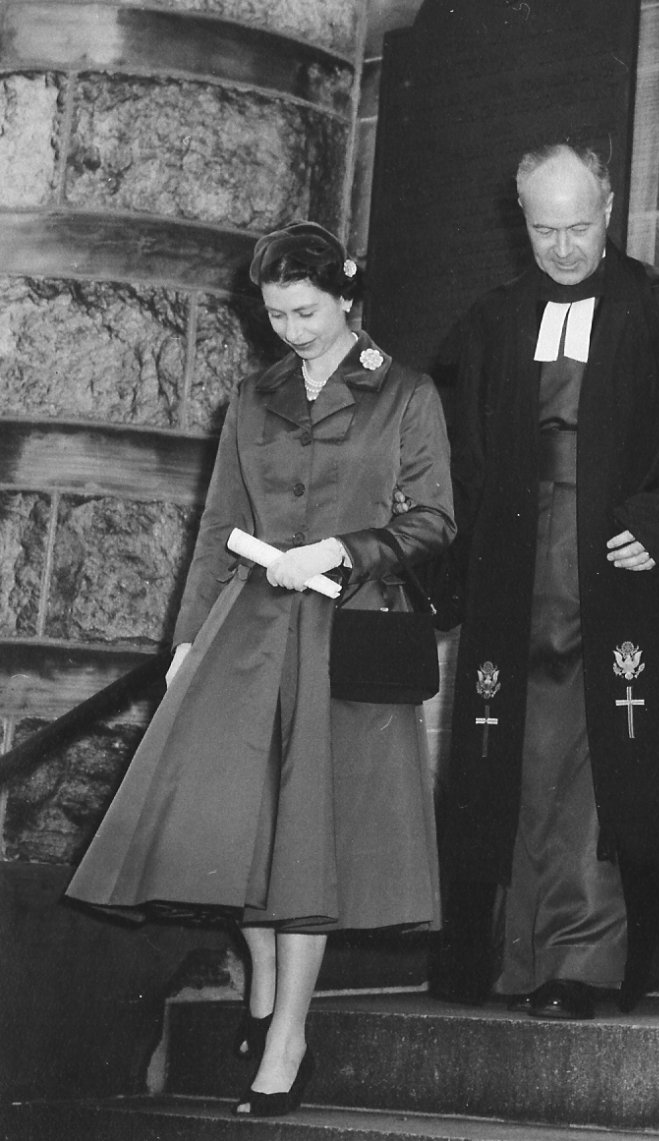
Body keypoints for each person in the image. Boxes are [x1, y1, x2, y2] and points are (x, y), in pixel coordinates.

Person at [67, 222, 455, 1111]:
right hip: (248, 634)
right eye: (276, 314)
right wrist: (186, 643)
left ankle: (288, 1039)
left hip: (346, 630)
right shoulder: (253, 395)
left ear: (347, 296)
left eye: (306, 311)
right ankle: (265, 981)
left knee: (309, 841)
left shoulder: (404, 392)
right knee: (237, 827)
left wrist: (341, 548)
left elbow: (435, 518)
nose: (291, 329)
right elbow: (218, 525)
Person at [430, 143, 659, 1021]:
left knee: (601, 756)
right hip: (515, 574)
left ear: (610, 207)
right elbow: (448, 456)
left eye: (580, 226)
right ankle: (512, 954)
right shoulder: (491, 321)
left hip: (622, 571)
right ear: (522, 220)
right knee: (521, 754)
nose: (566, 246)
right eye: (546, 230)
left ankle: (588, 958)